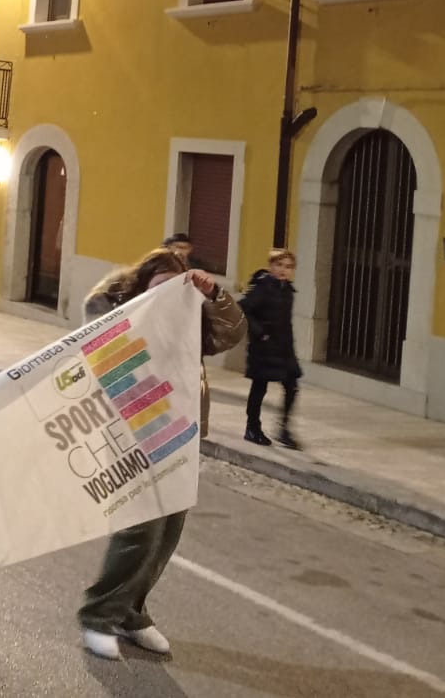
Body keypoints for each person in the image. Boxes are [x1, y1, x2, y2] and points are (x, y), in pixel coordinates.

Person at [77, 247, 245, 661]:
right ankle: (98, 615)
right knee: (139, 529)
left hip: (178, 434)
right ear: (143, 282)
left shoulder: (189, 316)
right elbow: (98, 343)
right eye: (159, 286)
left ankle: (131, 613)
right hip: (131, 432)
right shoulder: (113, 305)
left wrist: (215, 295)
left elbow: (231, 334)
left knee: (168, 531)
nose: (167, 295)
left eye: (174, 287)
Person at [240, 249, 303, 449]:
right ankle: (252, 427)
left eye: (288, 267)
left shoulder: (287, 290)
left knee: (291, 386)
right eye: (279, 265)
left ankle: (284, 428)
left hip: (284, 347)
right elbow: (243, 308)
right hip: (264, 347)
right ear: (271, 266)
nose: (283, 270)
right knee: (260, 387)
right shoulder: (262, 287)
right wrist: (260, 332)